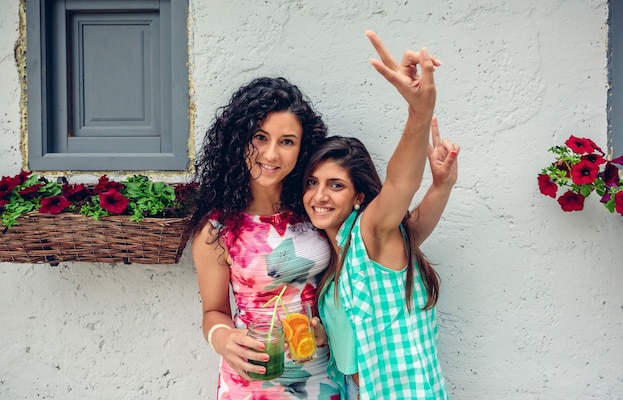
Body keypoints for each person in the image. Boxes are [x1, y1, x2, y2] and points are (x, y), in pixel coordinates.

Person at [303, 31, 459, 400]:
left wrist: (419, 113)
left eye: (335, 185)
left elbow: (400, 183)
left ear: (359, 196)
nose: (319, 196)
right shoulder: (337, 256)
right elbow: (415, 223)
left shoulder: (369, 231)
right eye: (312, 182)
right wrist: (441, 187)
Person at [188, 77, 340, 399]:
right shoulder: (217, 229)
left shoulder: (316, 209)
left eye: (287, 141)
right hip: (253, 378)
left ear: (302, 148)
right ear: (239, 140)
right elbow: (213, 311)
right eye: (260, 137)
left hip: (319, 375)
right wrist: (222, 338)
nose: (271, 154)